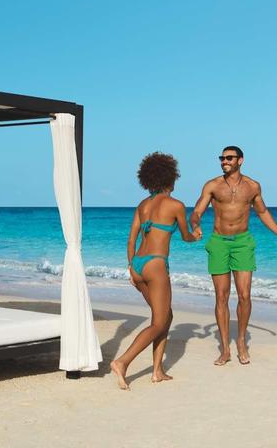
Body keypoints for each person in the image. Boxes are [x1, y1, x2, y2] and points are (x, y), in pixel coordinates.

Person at [190, 145, 277, 366]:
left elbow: (262, 212)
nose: (224, 161)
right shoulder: (213, 185)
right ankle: (225, 349)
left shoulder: (252, 186)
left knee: (245, 295)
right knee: (222, 297)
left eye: (229, 158)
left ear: (240, 160)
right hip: (218, 242)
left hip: (243, 242)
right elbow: (197, 210)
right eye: (222, 158)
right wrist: (195, 224)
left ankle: (241, 340)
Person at [110, 152, 198, 390]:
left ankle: (157, 371)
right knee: (159, 322)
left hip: (138, 264)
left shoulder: (143, 205)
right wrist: (196, 235)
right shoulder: (176, 205)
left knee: (164, 317)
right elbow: (186, 236)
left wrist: (131, 267)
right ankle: (122, 362)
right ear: (171, 177)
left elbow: (131, 240)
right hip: (156, 265)